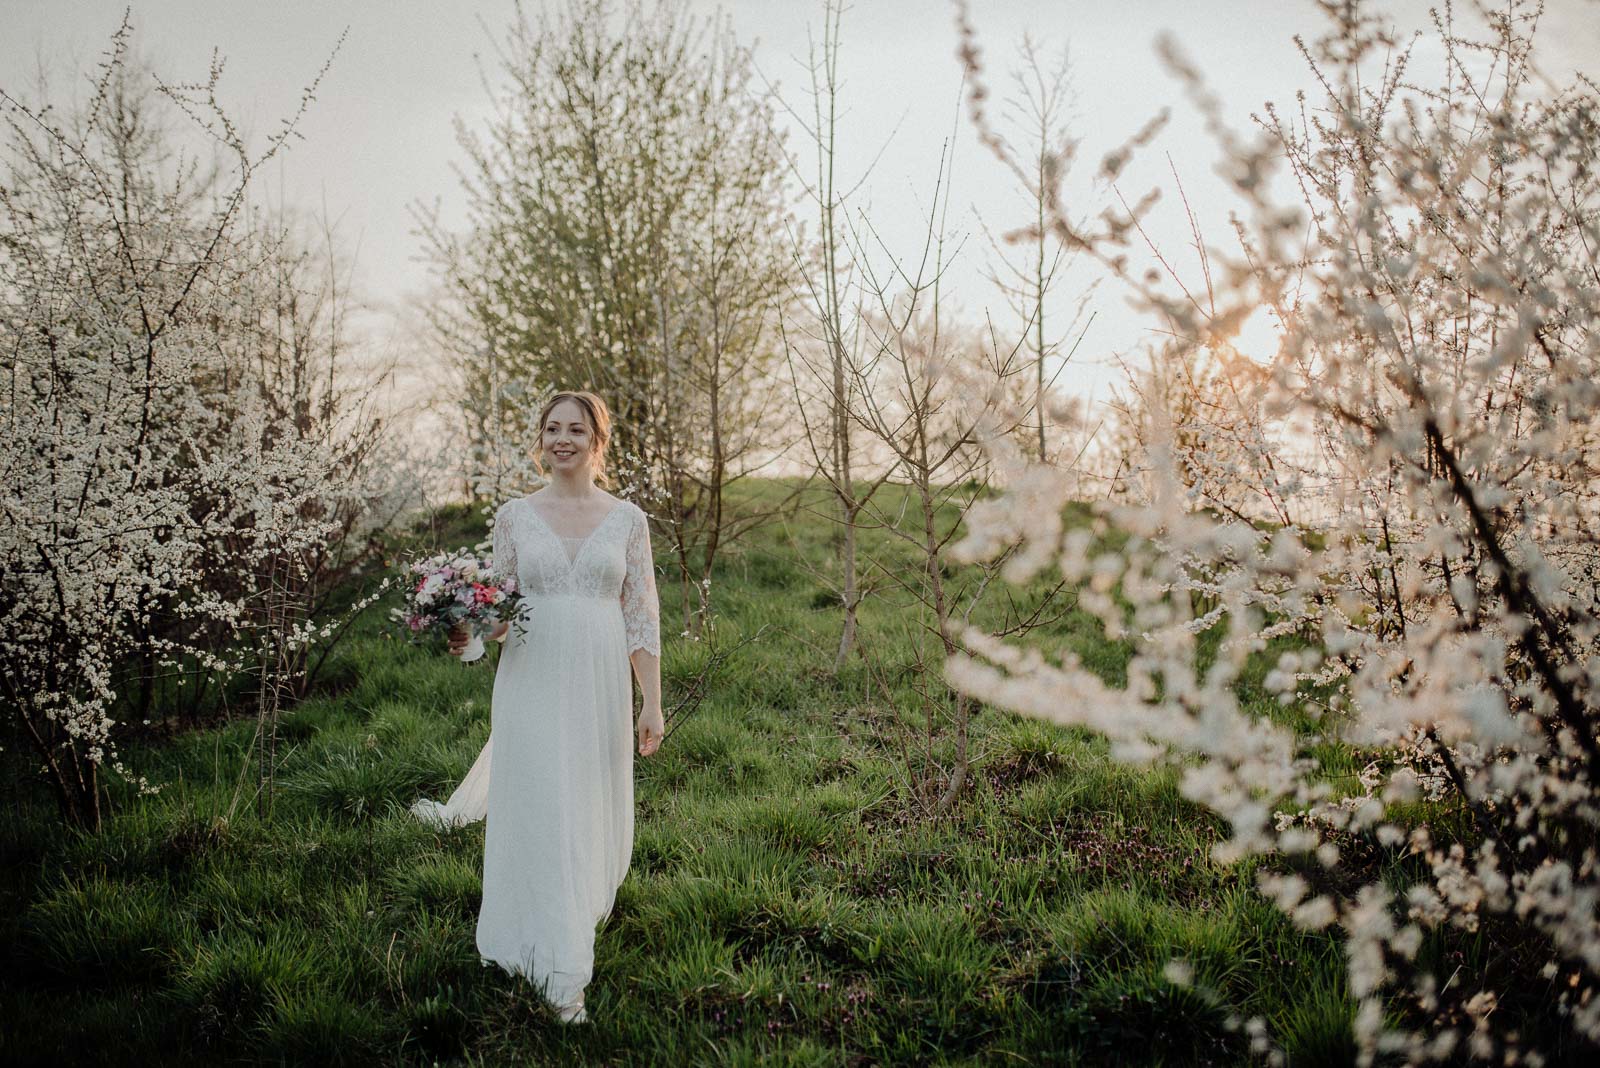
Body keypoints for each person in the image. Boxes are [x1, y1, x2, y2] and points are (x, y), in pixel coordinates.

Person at [440, 389, 663, 1025]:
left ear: (598, 439)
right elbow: (499, 613)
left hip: (598, 680)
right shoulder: (514, 516)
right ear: (540, 439)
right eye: (552, 427)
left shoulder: (628, 520)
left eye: (576, 428)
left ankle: (569, 916)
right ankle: (562, 969)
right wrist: (468, 637)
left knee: (581, 802)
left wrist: (652, 702)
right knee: (541, 801)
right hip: (531, 677)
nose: (562, 438)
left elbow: (641, 618)